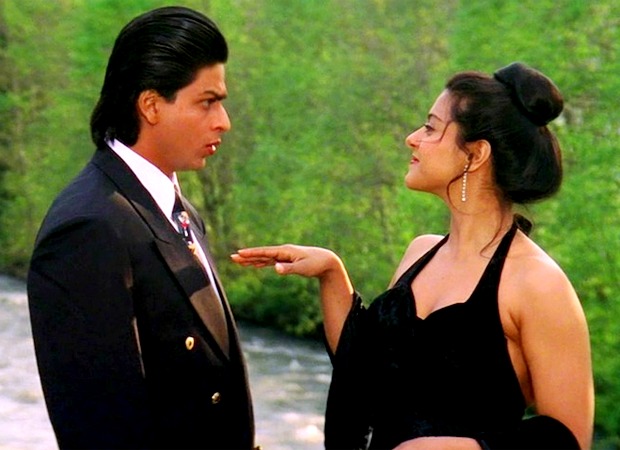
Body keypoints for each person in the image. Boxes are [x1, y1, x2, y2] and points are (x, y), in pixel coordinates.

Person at [232, 62, 594, 449]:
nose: (412, 139)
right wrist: (331, 273)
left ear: (475, 154)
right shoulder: (420, 252)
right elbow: (364, 374)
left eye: (430, 128)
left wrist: (464, 448)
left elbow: (568, 436)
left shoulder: (538, 283)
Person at [27, 6, 257, 449]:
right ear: (150, 105)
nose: (223, 121)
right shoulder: (89, 228)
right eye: (207, 102)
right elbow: (99, 430)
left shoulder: (178, 211)